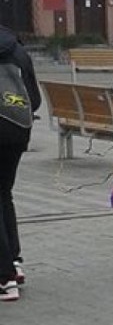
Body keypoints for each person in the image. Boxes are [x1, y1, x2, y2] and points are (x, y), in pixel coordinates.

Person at [0, 23, 41, 303]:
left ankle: (4, 278)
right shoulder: (18, 50)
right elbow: (34, 100)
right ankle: (14, 261)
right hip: (16, 130)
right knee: (4, 193)